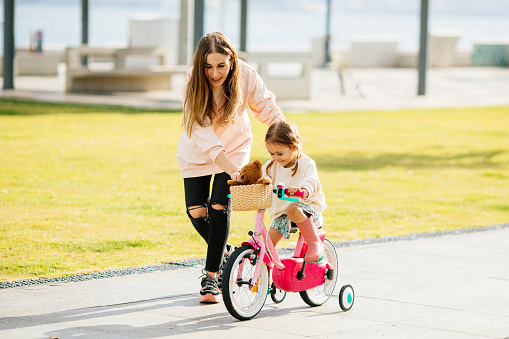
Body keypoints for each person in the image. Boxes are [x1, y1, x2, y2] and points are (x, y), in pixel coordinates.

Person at [176, 32, 284, 303]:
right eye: (208, 66)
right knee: (197, 212)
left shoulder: (246, 75)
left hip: (235, 149)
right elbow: (202, 134)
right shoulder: (191, 82)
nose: (214, 73)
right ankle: (227, 254)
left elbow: (267, 110)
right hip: (198, 151)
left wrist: (287, 137)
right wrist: (230, 169)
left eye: (221, 65)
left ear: (232, 61)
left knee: (218, 205)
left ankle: (211, 278)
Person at [262, 120, 326, 263]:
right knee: (267, 246)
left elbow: (311, 180)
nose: (276, 158)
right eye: (271, 153)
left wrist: (302, 190)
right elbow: (263, 179)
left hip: (306, 208)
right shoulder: (270, 166)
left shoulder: (306, 163)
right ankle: (269, 280)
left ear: (294, 147)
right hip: (282, 213)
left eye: (279, 153)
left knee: (293, 209)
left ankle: (314, 243)